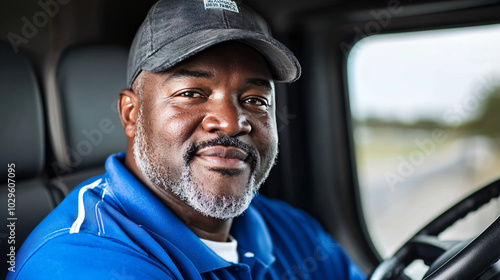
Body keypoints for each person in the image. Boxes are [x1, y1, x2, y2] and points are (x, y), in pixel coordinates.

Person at [8, 0, 366, 279]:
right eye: (192, 93)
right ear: (131, 114)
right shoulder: (81, 261)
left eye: (255, 101)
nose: (230, 122)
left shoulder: (290, 229)